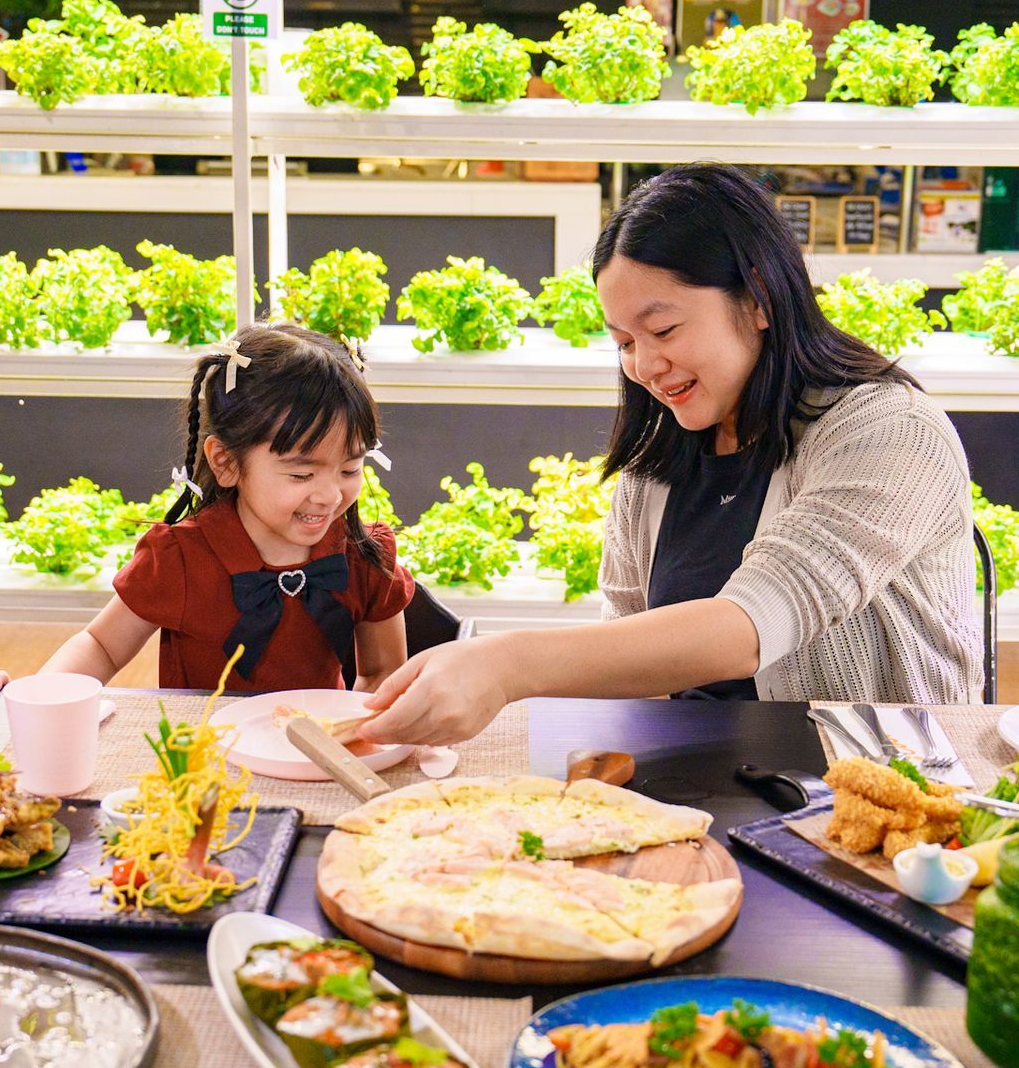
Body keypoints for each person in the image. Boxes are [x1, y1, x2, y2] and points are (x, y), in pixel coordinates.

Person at [359, 163, 981, 746]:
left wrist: (506, 664)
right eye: (624, 341)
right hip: (708, 775)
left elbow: (752, 625)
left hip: (878, 782)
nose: (644, 366)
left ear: (759, 297)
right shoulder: (662, 456)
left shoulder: (888, 430)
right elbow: (630, 652)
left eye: (663, 331)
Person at [0, 323, 414, 694]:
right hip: (198, 762)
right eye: (301, 475)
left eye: (350, 469)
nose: (329, 495)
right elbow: (101, 646)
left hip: (314, 761)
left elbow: (382, 674)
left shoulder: (365, 556)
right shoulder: (179, 558)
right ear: (227, 462)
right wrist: (40, 696)